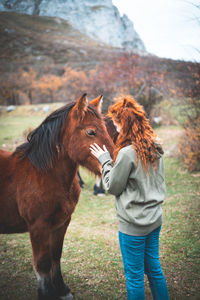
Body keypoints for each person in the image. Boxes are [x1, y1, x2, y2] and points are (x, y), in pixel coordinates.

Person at [90, 96, 169, 300]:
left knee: (134, 277)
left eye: (116, 125)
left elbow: (113, 187)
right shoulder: (155, 145)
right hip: (154, 219)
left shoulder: (126, 153)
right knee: (154, 270)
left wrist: (105, 160)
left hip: (133, 226)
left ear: (123, 125)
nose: (115, 130)